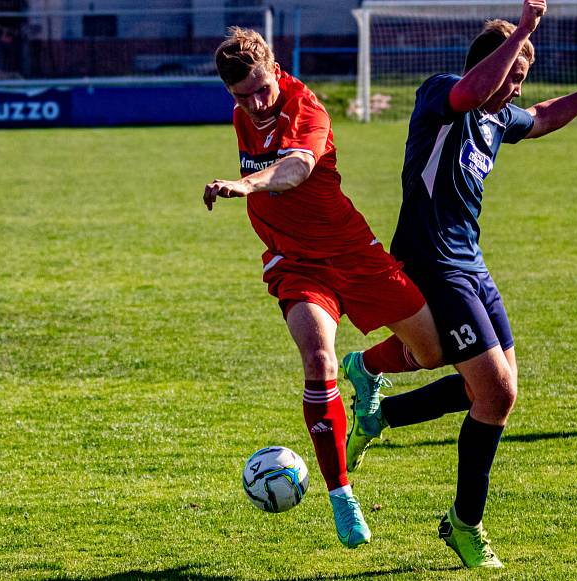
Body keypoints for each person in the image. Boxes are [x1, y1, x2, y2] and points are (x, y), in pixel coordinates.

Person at [342, 0, 577, 568]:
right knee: (494, 392)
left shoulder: (499, 117)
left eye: (521, 78)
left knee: (498, 392)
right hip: (430, 260)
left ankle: (378, 411)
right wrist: (522, 28)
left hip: (472, 264)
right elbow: (473, 93)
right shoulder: (441, 95)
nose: (516, 90)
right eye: (513, 75)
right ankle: (465, 524)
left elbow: (542, 117)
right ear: (490, 64)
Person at [203, 28, 445, 549]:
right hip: (296, 262)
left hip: (353, 253)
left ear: (274, 67)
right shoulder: (245, 107)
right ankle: (342, 495)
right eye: (241, 96)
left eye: (261, 88)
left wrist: (245, 184)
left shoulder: (306, 108)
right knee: (318, 361)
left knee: (432, 351)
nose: (255, 102)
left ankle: (369, 367)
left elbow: (297, 167)